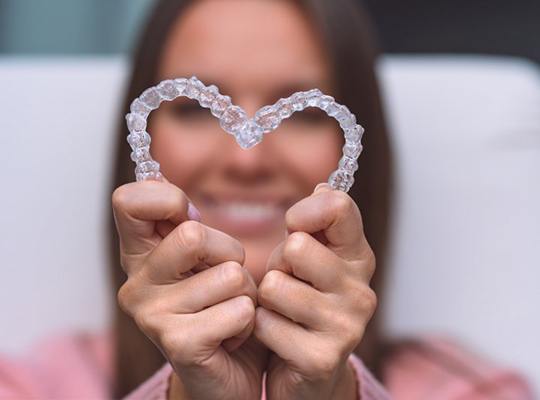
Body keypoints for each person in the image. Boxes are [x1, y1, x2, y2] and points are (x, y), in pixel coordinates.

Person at [0, 0, 533, 399]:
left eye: (302, 113)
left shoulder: (476, 388)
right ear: (140, 142)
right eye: (195, 108)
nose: (246, 160)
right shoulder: (27, 385)